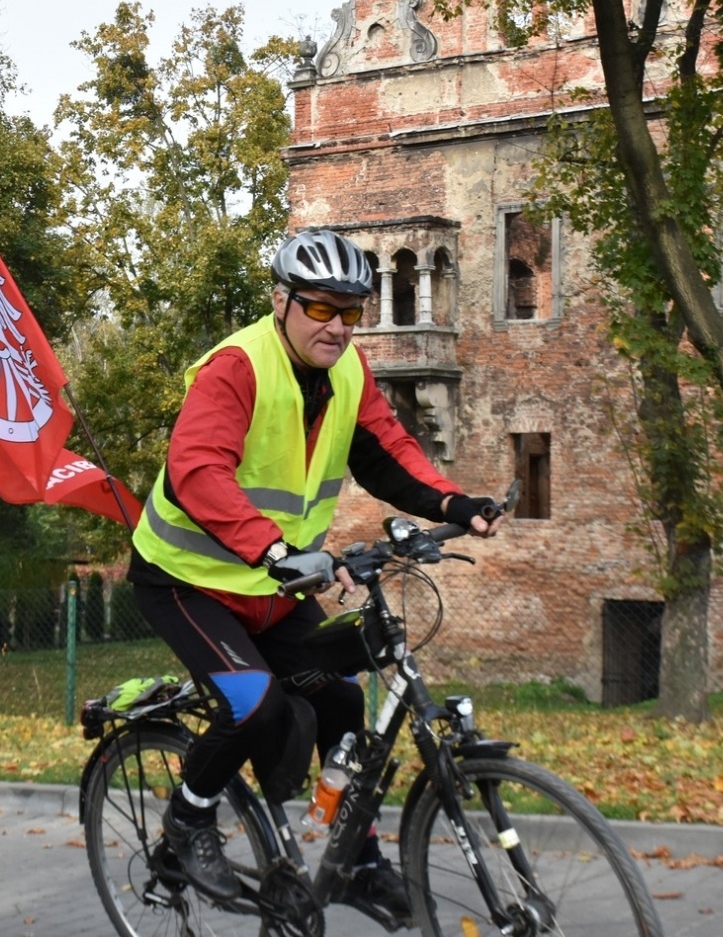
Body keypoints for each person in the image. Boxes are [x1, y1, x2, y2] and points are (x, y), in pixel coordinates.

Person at [129, 228, 505, 921]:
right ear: (283, 301)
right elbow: (197, 470)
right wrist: (271, 549)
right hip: (187, 579)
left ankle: (355, 855)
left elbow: (387, 453)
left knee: (340, 698)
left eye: (351, 312)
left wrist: (451, 500)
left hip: (275, 587)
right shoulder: (238, 366)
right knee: (253, 704)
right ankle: (187, 822)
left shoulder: (348, 372)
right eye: (321, 308)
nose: (337, 326)